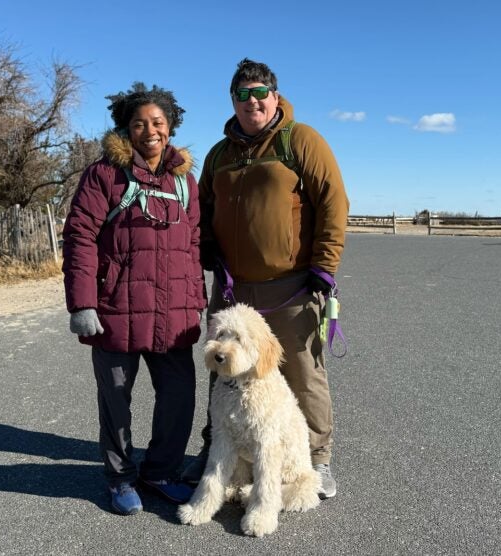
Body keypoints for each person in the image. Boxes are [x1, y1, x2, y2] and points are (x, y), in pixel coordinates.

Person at [183, 59, 350, 500]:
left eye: (260, 93)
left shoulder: (301, 141)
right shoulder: (220, 154)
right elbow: (201, 209)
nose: (252, 102)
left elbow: (334, 202)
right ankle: (219, 453)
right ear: (233, 101)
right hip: (235, 287)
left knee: (300, 370)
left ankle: (315, 459)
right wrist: (205, 249)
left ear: (275, 96)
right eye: (243, 95)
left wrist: (324, 265)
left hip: (292, 284)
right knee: (225, 370)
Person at [62, 82, 206, 516]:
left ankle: (161, 471)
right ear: (126, 129)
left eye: (158, 123)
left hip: (174, 313)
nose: (150, 131)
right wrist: (82, 303)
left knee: (179, 396)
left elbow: (193, 242)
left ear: (171, 126)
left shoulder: (185, 181)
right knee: (116, 400)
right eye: (139, 123)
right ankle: (120, 478)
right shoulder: (104, 174)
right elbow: (80, 236)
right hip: (115, 309)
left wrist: (197, 300)